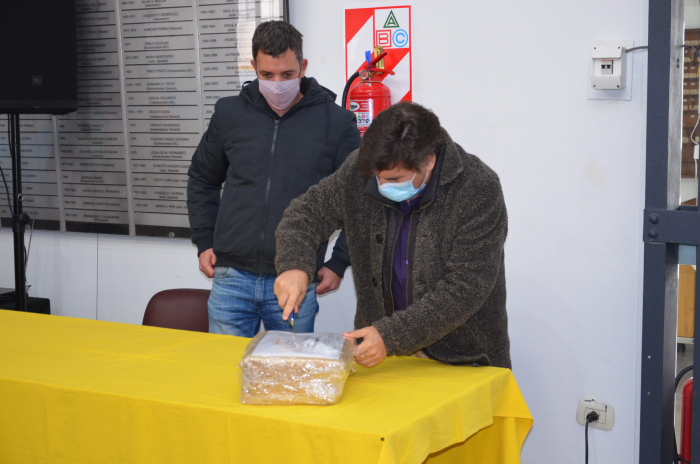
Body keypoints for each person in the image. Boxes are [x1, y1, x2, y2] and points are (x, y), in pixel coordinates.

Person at [274, 101, 511, 369]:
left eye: (395, 179)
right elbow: (306, 214)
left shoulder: (477, 188)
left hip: (461, 358)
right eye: (377, 177)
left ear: (429, 160)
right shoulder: (359, 171)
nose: (381, 185)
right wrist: (294, 265)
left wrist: (390, 335)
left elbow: (466, 287)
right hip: (382, 353)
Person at [187, 21, 361, 337]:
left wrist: (339, 263)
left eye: (287, 75)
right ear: (253, 66)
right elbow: (202, 177)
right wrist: (204, 240)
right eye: (267, 75)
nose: (277, 83)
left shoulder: (335, 122)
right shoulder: (229, 114)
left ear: (303, 67)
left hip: (295, 279)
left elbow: (360, 197)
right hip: (231, 277)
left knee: (288, 379)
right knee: (223, 374)